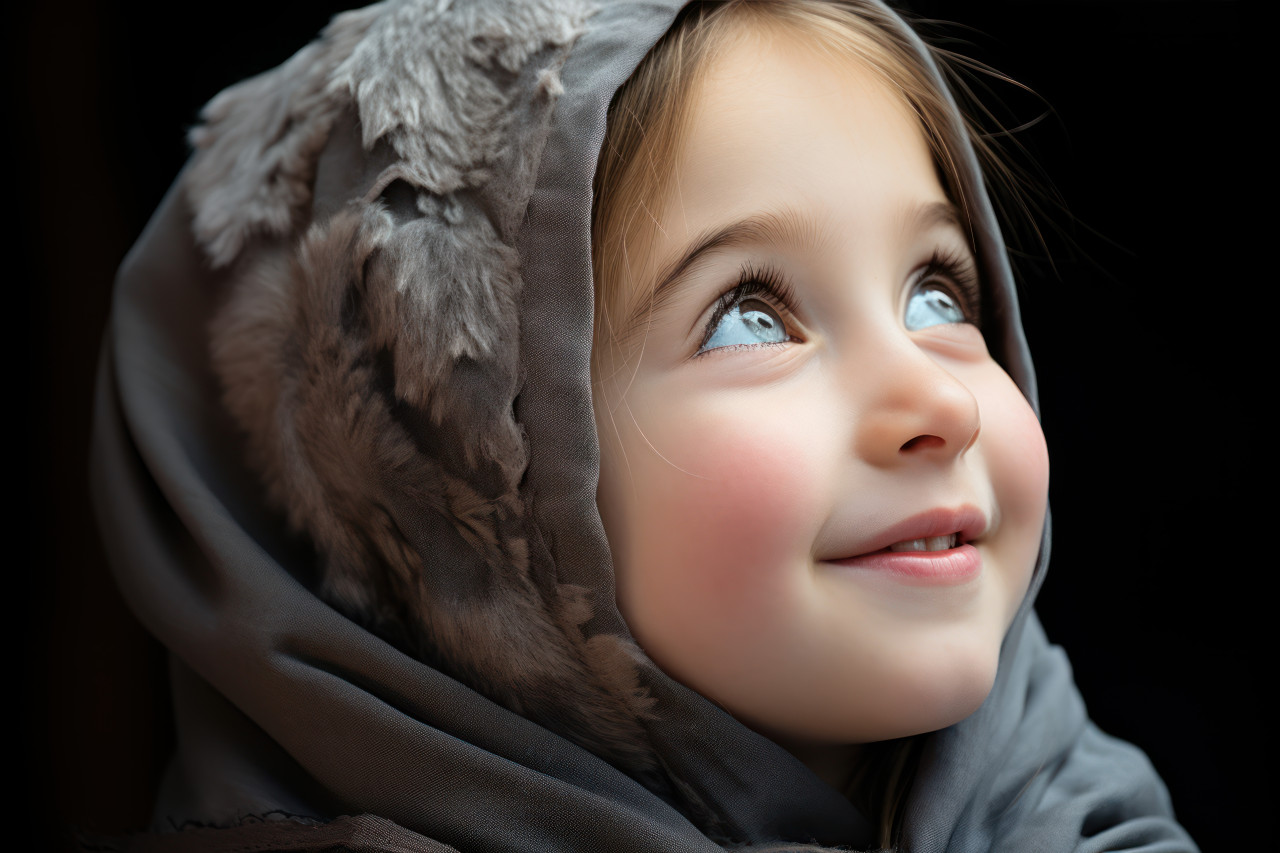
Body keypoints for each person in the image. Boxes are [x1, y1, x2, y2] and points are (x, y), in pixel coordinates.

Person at [89, 0, 1198, 850]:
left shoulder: (1076, 815)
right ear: (455, 498)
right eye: (748, 316)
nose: (941, 403)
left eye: (938, 295)